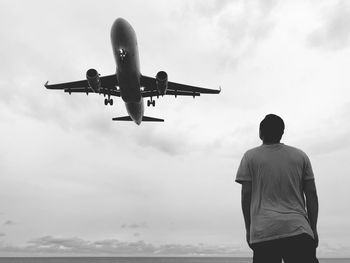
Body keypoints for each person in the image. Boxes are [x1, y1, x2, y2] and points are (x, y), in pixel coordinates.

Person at [235, 114, 319, 263]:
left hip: (264, 232)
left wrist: (249, 229)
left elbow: (246, 195)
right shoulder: (300, 156)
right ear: (282, 132)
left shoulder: (250, 157)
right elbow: (311, 194)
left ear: (260, 133)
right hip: (298, 230)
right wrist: (313, 228)